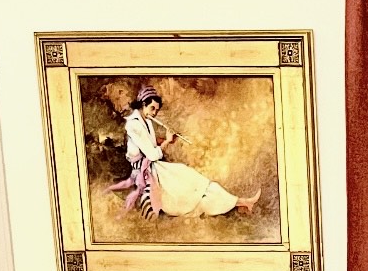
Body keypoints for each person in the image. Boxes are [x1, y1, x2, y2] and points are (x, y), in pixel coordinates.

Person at [107, 85, 260, 220]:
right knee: (190, 184)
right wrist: (167, 142)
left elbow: (150, 145)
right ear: (142, 104)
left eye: (157, 110)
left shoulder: (145, 119)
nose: (154, 113)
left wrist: (167, 140)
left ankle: (241, 202)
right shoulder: (133, 125)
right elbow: (152, 155)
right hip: (146, 169)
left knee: (197, 182)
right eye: (152, 108)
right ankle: (239, 203)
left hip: (155, 166)